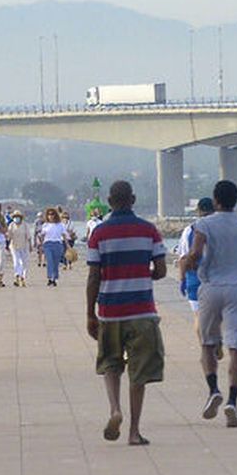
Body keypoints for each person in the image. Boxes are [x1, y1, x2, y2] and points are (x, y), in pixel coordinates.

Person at [85, 181, 168, 446]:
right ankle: (134, 432)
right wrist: (143, 273)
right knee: (139, 371)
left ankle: (114, 409)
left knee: (110, 364)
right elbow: (162, 270)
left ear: (109, 202)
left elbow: (93, 276)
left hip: (110, 311)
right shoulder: (149, 230)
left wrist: (90, 313)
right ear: (133, 199)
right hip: (142, 310)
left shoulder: (99, 233)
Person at [182, 180, 237, 428]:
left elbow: (196, 254)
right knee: (236, 347)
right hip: (236, 290)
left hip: (210, 288)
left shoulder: (204, 224)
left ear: (215, 200)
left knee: (207, 343)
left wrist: (188, 263)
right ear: (235, 200)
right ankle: (233, 402)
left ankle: (213, 389)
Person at [175, 197, 215, 349]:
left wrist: (182, 280)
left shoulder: (189, 230)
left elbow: (183, 258)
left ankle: (205, 347)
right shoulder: (220, 229)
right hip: (215, 280)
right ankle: (215, 341)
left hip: (194, 278)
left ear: (198, 211)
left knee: (198, 316)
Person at [39, 208, 69, 285]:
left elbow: (64, 235)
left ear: (55, 215)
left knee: (56, 262)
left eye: (52, 214)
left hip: (58, 244)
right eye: (49, 214)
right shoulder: (45, 225)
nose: (51, 216)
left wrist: (67, 245)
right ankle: (50, 278)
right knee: (50, 261)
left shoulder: (60, 225)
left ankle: (54, 278)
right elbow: (42, 235)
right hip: (48, 244)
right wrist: (41, 245)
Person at [7, 210, 32, 286]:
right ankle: (17, 276)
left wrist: (30, 246)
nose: (16, 218)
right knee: (16, 261)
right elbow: (9, 236)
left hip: (24, 246)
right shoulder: (11, 225)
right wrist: (7, 245)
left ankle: (23, 277)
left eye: (18, 217)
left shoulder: (25, 225)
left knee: (24, 263)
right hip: (14, 246)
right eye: (15, 217)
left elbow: (28, 236)